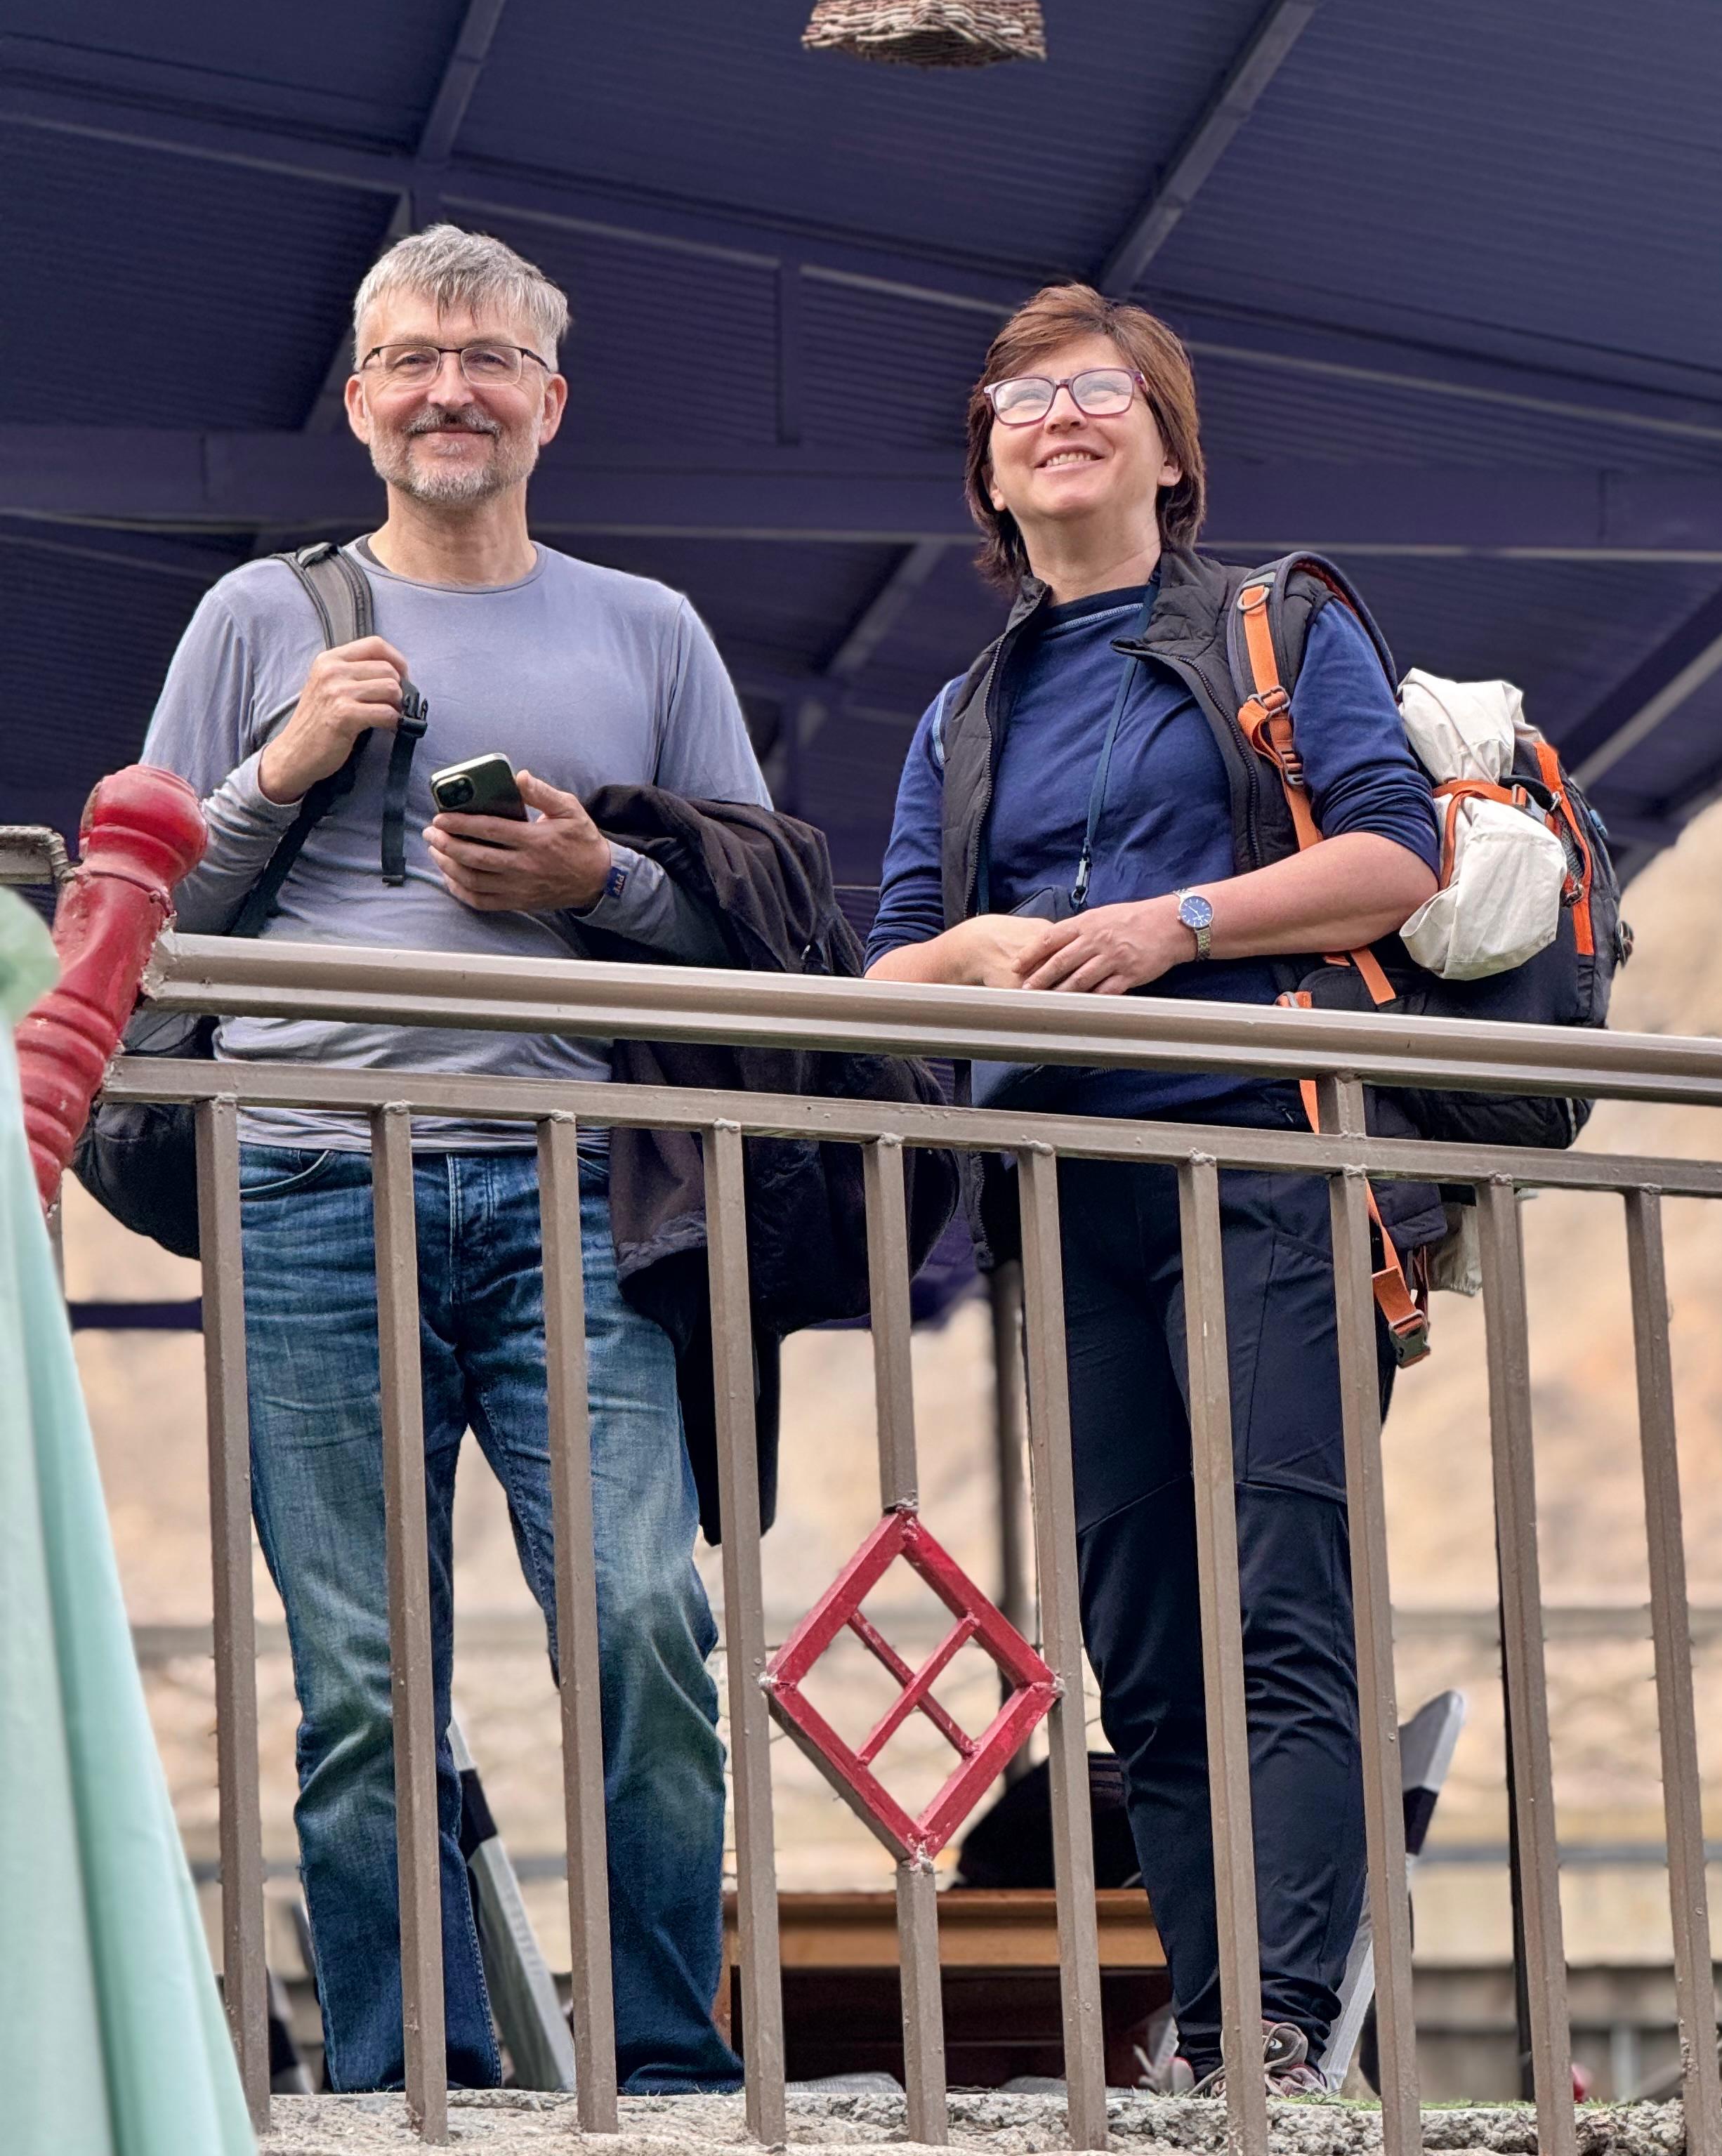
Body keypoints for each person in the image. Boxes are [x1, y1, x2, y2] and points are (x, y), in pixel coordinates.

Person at [142, 226, 758, 2096]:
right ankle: (416, 2074)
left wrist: (604, 885)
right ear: (358, 402)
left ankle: (662, 2064)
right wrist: (280, 764)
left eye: (486, 358)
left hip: (578, 1184)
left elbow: (758, 916)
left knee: (649, 1619)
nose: (448, 388)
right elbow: (140, 922)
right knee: (361, 1677)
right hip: (311, 1179)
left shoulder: (646, 627)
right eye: (410, 358)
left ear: (548, 402)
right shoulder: (264, 614)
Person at [865, 282, 1441, 2097]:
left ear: (1170, 452)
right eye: (1019, 397)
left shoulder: (1278, 621)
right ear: (991, 468)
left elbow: (1393, 854)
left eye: (1100, 390)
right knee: (1140, 1630)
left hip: (1254, 1152)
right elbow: (878, 976)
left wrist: (1170, 923)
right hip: (1067, 1190)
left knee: (1280, 1585)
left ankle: (1281, 2009)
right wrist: (981, 944)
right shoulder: (966, 710)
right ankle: (1213, 2022)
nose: (1056, 414)